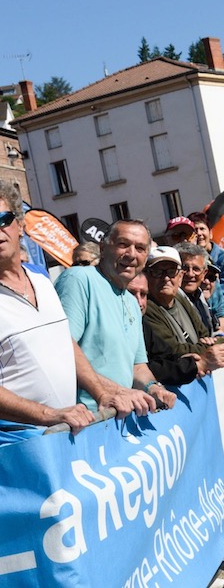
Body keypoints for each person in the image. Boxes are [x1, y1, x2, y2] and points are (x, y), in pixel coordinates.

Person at [0, 182, 155, 443]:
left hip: (67, 432)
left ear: (20, 225)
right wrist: (48, 415)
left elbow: (66, 343)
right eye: (123, 244)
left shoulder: (41, 281)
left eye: (3, 219)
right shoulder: (76, 279)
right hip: (20, 442)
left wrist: (102, 394)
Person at [55, 219, 177, 412]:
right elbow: (62, 350)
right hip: (85, 418)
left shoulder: (131, 302)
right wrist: (121, 392)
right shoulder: (78, 279)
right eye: (123, 244)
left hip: (119, 417)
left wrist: (153, 388)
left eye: (140, 248)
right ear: (103, 248)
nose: (131, 254)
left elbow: (137, 367)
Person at [142, 245, 224, 371]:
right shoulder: (146, 308)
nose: (166, 278)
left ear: (180, 276)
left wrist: (205, 346)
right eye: (157, 272)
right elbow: (174, 351)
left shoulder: (180, 298)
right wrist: (221, 344)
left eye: (171, 272)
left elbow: (204, 333)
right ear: (146, 276)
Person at [127, 271, 211, 385]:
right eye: (131, 294)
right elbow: (145, 368)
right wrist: (195, 365)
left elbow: (165, 356)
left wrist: (187, 362)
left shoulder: (143, 326)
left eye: (143, 294)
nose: (139, 302)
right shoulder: (121, 326)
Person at [188, 212, 224, 332]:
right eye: (195, 230)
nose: (199, 233)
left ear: (210, 233)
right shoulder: (189, 259)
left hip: (223, 314)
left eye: (202, 229)